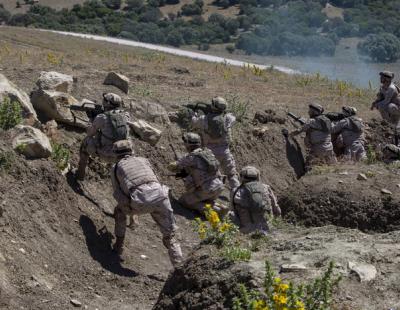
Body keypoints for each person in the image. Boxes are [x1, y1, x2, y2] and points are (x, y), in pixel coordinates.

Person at [111, 140, 183, 266]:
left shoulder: (116, 167)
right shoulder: (144, 160)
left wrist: (129, 209)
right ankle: (179, 266)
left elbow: (118, 193)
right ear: (132, 151)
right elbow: (155, 178)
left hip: (140, 201)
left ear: (115, 154)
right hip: (160, 196)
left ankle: (119, 245)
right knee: (170, 235)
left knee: (119, 211)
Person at [167, 132, 226, 215]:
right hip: (218, 186)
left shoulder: (191, 157)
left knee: (184, 201)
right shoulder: (208, 152)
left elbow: (173, 167)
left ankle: (215, 210)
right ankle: (219, 206)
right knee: (204, 200)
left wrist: (173, 164)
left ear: (188, 144)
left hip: (207, 189)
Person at [190, 97, 240, 191]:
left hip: (209, 153)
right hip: (225, 151)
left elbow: (193, 122)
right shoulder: (228, 118)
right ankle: (237, 195)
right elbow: (233, 118)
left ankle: (211, 193)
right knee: (232, 174)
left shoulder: (204, 119)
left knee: (209, 174)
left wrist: (194, 114)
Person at [76, 93, 130, 180]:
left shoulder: (102, 117)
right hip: (123, 154)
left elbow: (89, 133)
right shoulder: (125, 116)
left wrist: (91, 119)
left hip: (107, 154)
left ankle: (79, 174)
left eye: (104, 100)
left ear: (107, 103)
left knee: (86, 142)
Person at [232, 166, 281, 235]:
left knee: (231, 213)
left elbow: (233, 210)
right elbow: (276, 209)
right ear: (257, 176)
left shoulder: (236, 191)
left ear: (242, 177)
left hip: (247, 230)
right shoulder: (266, 188)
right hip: (268, 227)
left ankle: (238, 233)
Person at [289, 103, 337, 171]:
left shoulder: (312, 121)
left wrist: (289, 135)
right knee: (334, 168)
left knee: (308, 167)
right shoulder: (327, 120)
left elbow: (300, 130)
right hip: (329, 147)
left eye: (310, 110)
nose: (308, 112)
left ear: (314, 111)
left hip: (318, 148)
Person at [371, 71, 400, 145]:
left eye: (382, 77)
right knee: (394, 128)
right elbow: (380, 98)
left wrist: (377, 105)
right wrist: (374, 103)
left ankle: (388, 123)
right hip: (393, 109)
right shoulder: (383, 87)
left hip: (396, 108)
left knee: (385, 107)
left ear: (387, 79)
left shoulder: (391, 88)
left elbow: (386, 102)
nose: (380, 78)